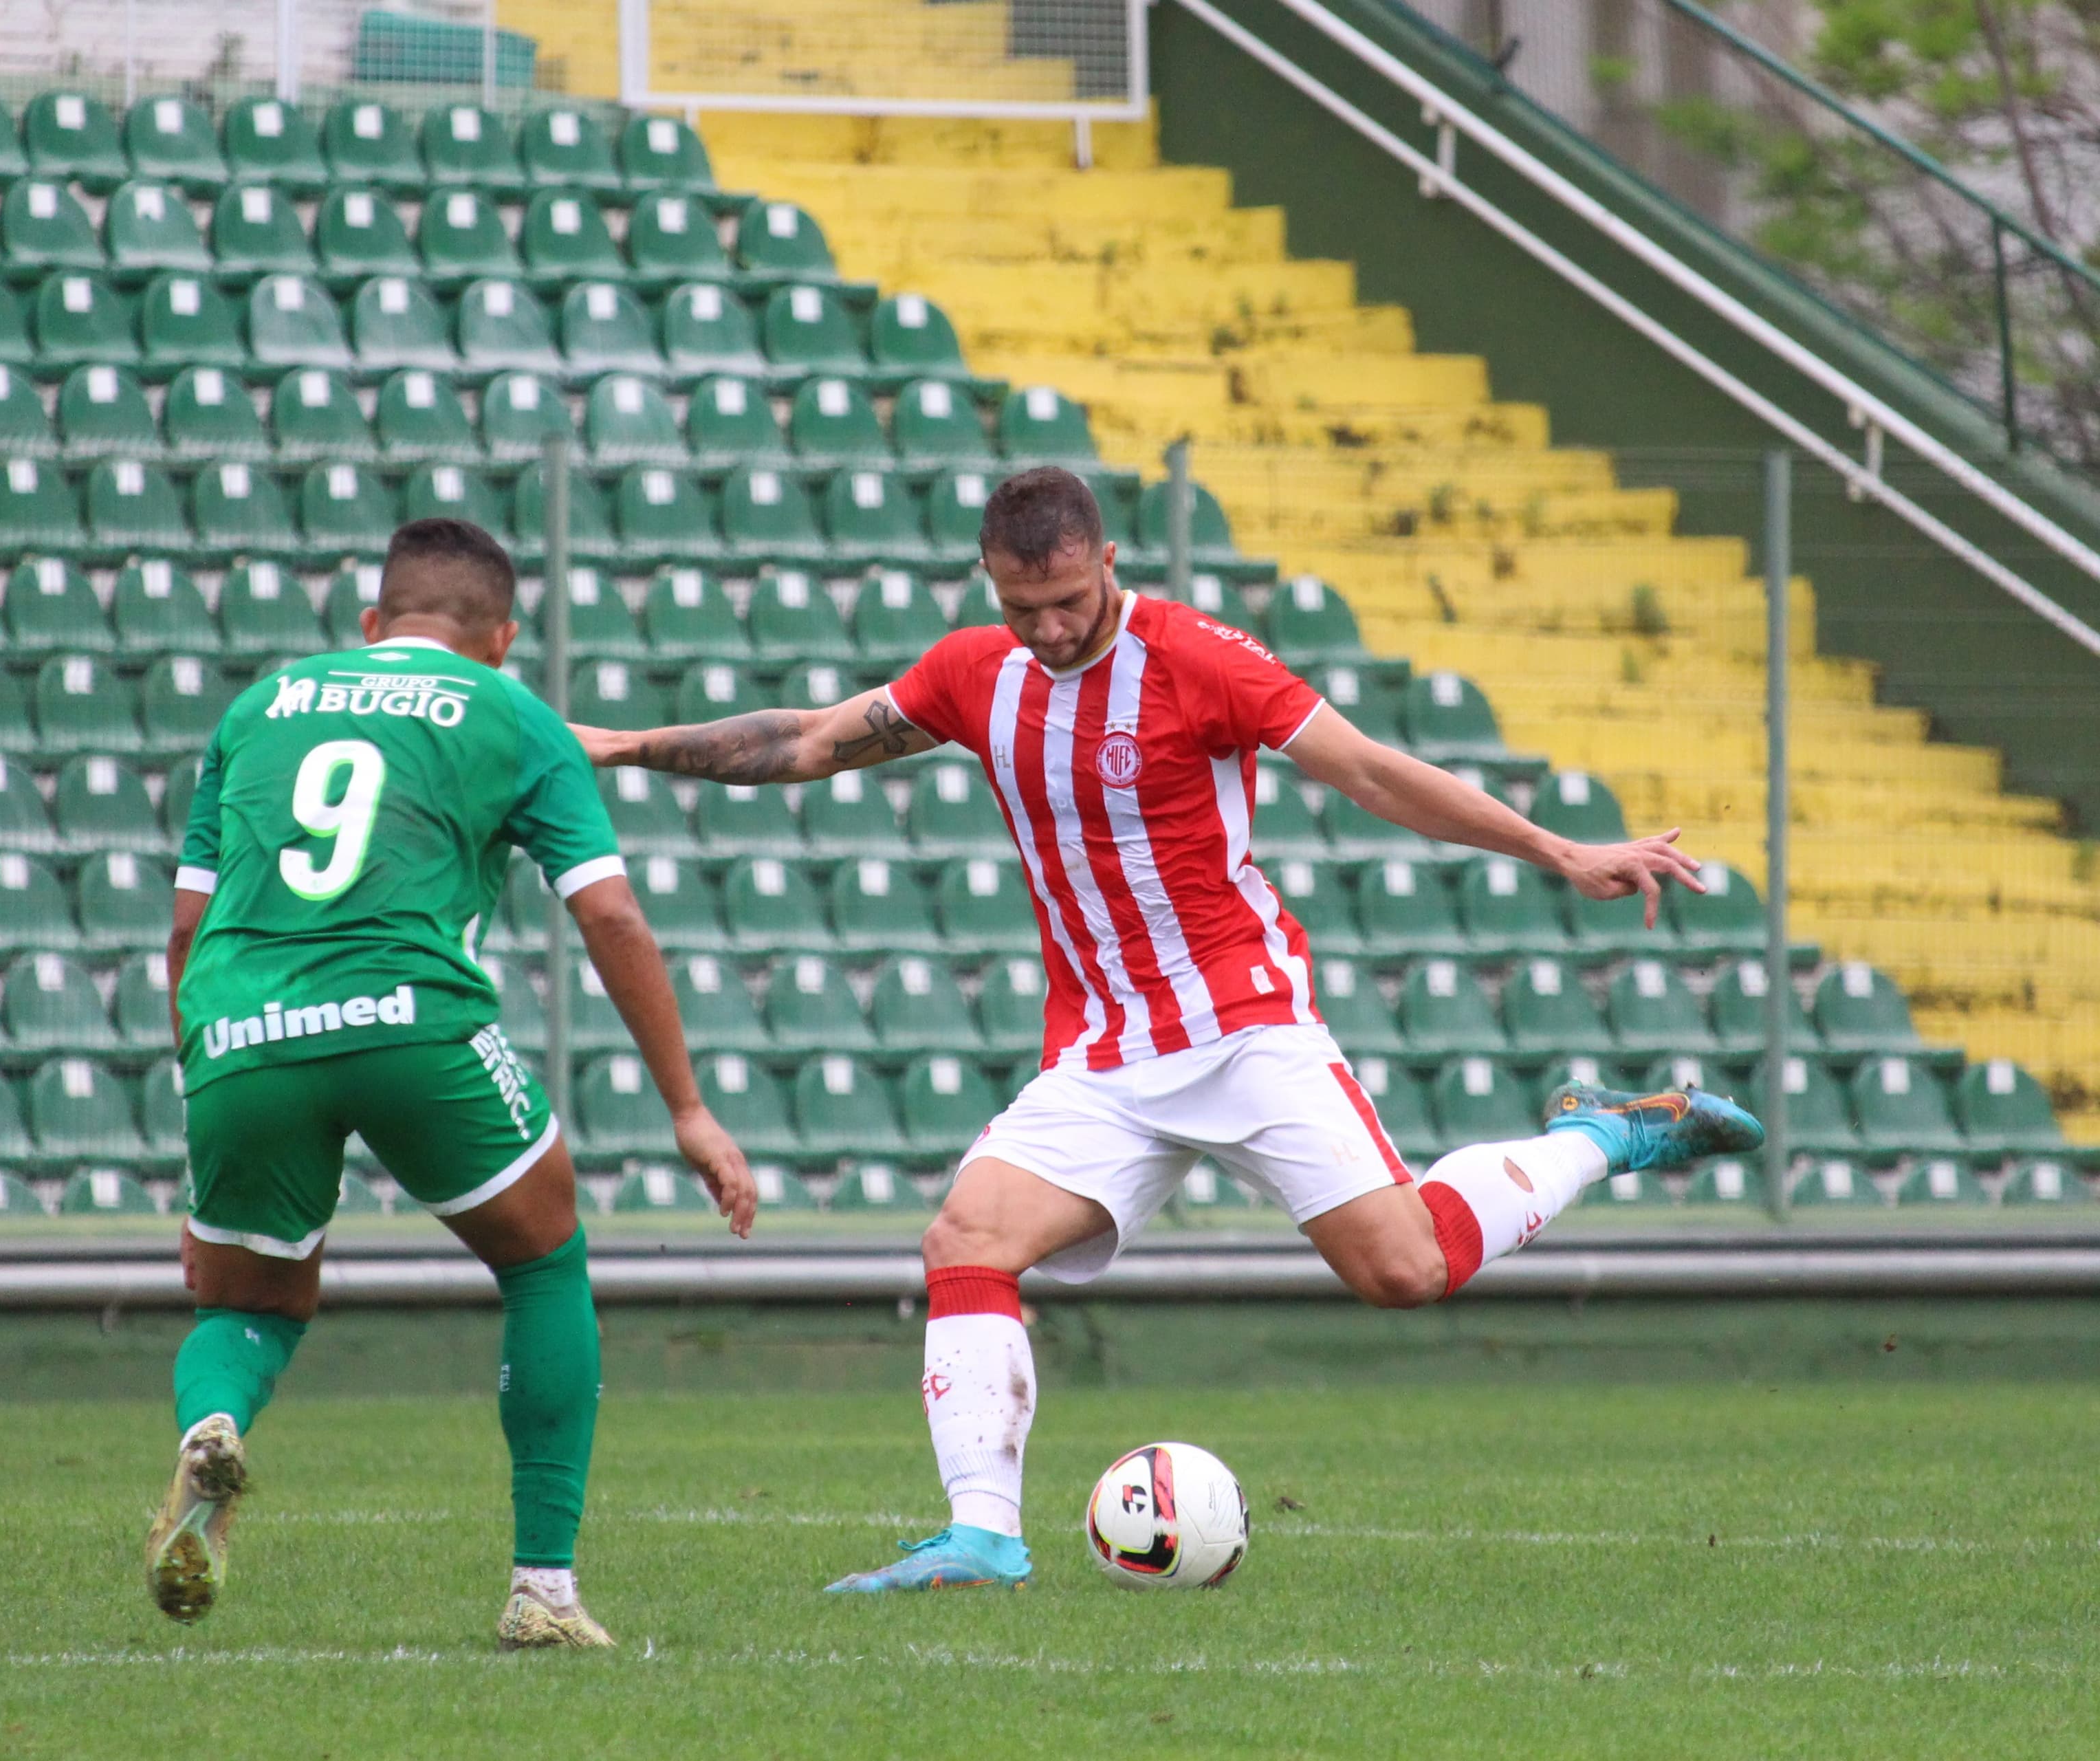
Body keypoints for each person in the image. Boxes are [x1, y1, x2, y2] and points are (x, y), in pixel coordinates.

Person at [573, 466, 1762, 1593]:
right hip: (1101, 1055)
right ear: (990, 580)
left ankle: (1605, 1132)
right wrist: (622, 748)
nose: (1044, 626)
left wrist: (1559, 848)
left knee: (1406, 1269)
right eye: (1019, 603)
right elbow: (807, 741)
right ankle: (983, 1536)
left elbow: (1373, 774)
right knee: (966, 1238)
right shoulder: (973, 673)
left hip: (1246, 1028)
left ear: (1109, 563)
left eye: (1067, 600)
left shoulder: (1198, 659)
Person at [154, 517, 756, 1647]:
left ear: (374, 623)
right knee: (542, 1255)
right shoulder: (513, 714)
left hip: (241, 1027)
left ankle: (216, 1424)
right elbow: (611, 912)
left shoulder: (259, 707)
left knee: (246, 1301)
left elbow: (186, 931)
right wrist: (688, 1107)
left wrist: (207, 1106)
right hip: (411, 1023)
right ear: (502, 637)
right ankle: (543, 1588)